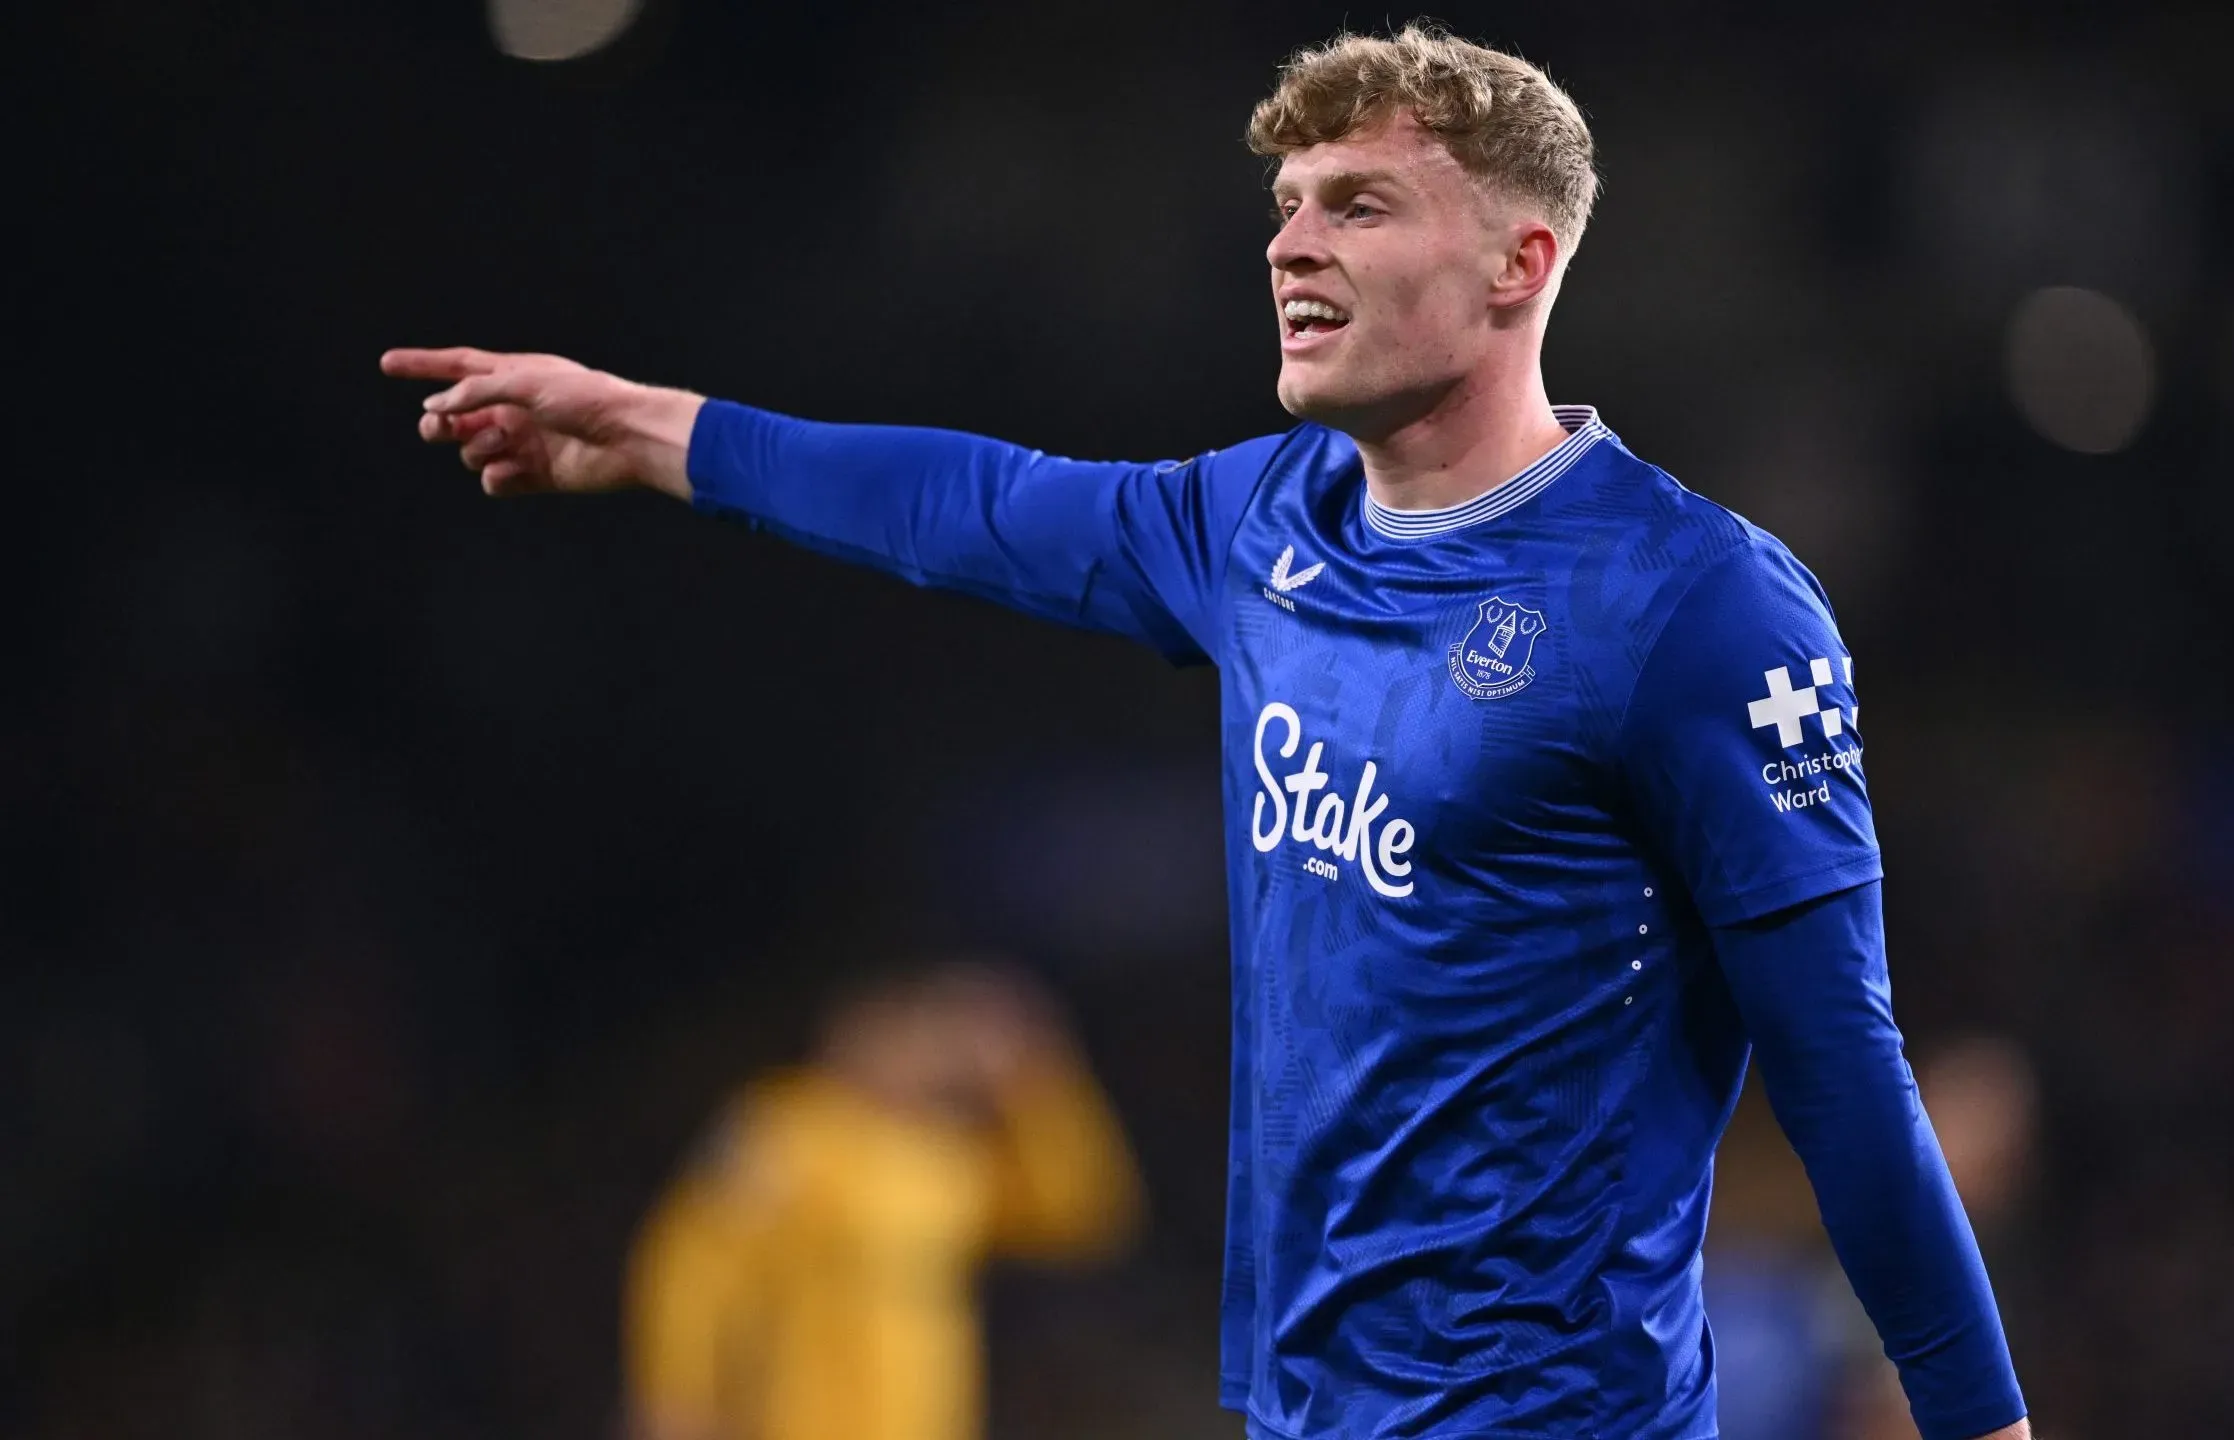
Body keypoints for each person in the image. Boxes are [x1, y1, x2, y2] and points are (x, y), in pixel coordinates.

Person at [387, 24, 2030, 1440]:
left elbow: (1844, 1072)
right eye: (1287, 205)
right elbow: (975, 503)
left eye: (1358, 204)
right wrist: (650, 429)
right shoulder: (1262, 525)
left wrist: (1981, 1420)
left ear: (1520, 265)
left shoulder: (1700, 607)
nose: (1291, 245)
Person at [624, 959, 1142, 1440]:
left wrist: (1034, 1080)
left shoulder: (943, 1155)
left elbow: (1080, 1212)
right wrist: (675, 1388)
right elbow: (695, 1261)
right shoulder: (789, 1130)